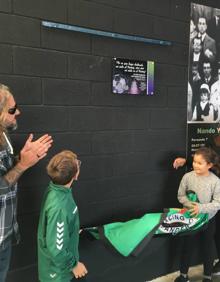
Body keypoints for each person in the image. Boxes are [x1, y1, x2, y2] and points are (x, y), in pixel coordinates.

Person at [0, 84, 53, 282]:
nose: (18, 112)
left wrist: (20, 159)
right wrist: (22, 165)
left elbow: (5, 173)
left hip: (4, 233)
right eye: (12, 110)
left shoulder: (4, 135)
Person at [37, 150, 88, 282]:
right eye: (78, 164)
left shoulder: (56, 189)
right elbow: (57, 250)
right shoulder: (59, 207)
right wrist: (74, 265)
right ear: (75, 175)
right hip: (57, 274)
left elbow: (58, 226)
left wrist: (72, 230)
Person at [174, 147, 220, 282]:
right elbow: (180, 196)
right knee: (186, 246)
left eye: (200, 163)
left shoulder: (216, 181)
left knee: (207, 248)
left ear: (209, 165)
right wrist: (190, 206)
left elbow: (218, 203)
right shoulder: (187, 177)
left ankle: (207, 276)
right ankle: (183, 275)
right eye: (194, 161)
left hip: (208, 220)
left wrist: (201, 208)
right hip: (190, 219)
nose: (195, 165)